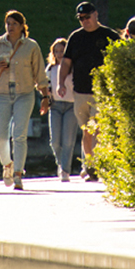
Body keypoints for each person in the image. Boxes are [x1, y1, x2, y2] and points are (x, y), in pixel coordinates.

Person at [0, 11, 49, 190]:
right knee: (0, 135)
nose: (10, 27)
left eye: (14, 24)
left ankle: (18, 173)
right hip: (1, 93)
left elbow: (39, 72)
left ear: (22, 26)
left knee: (19, 134)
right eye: (8, 23)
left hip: (24, 93)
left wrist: (45, 96)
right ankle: (7, 165)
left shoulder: (31, 46)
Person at [58, 2, 121, 181]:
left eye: (87, 17)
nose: (84, 21)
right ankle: (90, 164)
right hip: (80, 90)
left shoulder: (109, 35)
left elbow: (121, 58)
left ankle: (97, 166)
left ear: (95, 15)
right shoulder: (76, 37)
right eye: (81, 18)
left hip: (102, 92)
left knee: (98, 128)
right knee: (86, 130)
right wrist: (60, 83)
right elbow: (66, 62)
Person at [45, 38, 78, 182]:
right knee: (55, 141)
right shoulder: (50, 69)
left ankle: (65, 170)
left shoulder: (73, 68)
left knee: (68, 141)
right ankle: (60, 164)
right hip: (55, 106)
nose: (59, 54)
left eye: (62, 51)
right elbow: (45, 87)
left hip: (71, 105)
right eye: (56, 51)